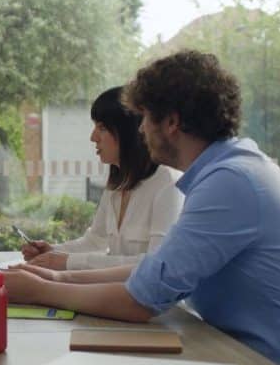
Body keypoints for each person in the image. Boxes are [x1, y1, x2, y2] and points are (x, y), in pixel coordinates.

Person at [4, 50, 280, 365]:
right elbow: (154, 272)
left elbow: (139, 301)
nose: (140, 129)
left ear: (171, 122)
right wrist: (54, 278)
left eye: (144, 118)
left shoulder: (230, 182)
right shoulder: (228, 172)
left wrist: (39, 292)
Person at [23, 86, 182, 270]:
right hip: (114, 292)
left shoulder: (168, 184)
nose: (93, 137)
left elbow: (156, 265)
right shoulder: (117, 184)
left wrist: (67, 262)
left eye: (102, 128)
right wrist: (52, 252)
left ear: (130, 132)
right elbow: (95, 241)